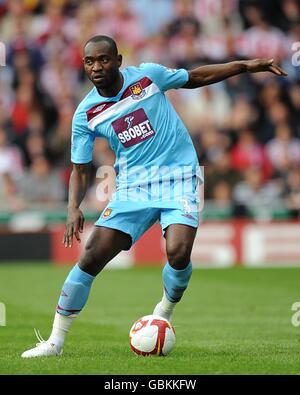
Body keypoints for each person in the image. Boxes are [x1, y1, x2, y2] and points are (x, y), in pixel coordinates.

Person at [21, 35, 287, 358]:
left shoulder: (148, 76)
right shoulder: (85, 114)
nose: (96, 67)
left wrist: (246, 65)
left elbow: (195, 77)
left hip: (179, 179)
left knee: (177, 252)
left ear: (118, 60)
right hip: (134, 188)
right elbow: (79, 168)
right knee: (90, 256)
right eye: (90, 62)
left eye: (104, 60)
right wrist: (72, 207)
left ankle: (164, 310)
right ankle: (55, 341)